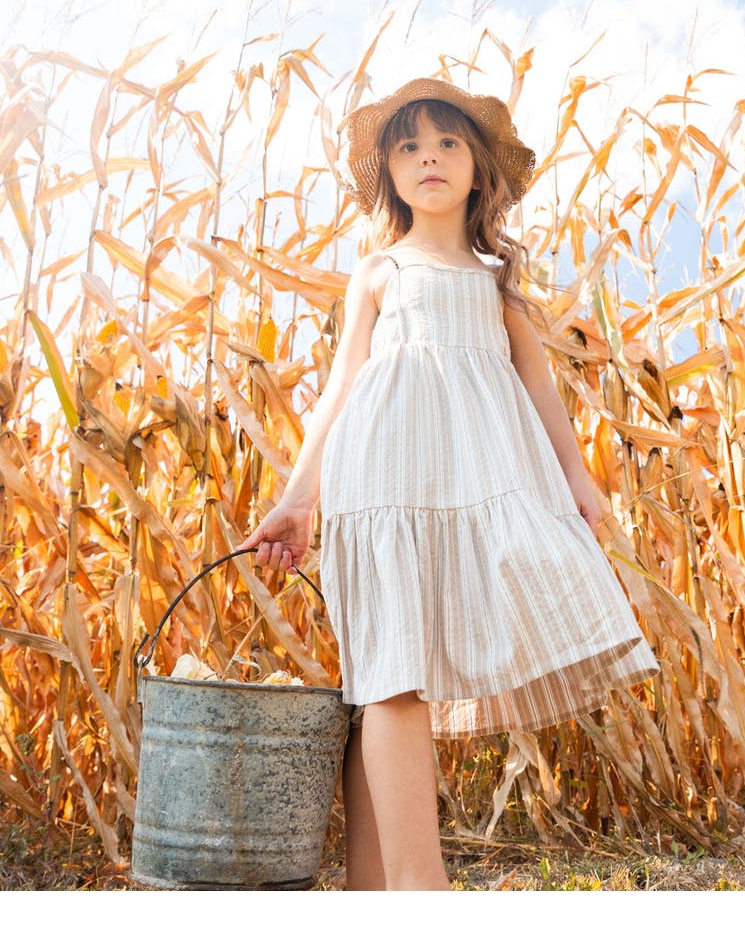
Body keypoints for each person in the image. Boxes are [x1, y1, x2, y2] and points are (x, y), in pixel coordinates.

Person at [237, 77, 660, 891]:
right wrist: (298, 498)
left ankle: (374, 894)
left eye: (446, 143)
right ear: (391, 175)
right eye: (408, 146)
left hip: (479, 481)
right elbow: (340, 388)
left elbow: (539, 388)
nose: (427, 156)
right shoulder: (378, 272)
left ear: (477, 171)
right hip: (386, 478)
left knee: (392, 680)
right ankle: (421, 894)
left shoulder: (497, 282)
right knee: (393, 671)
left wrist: (579, 481)